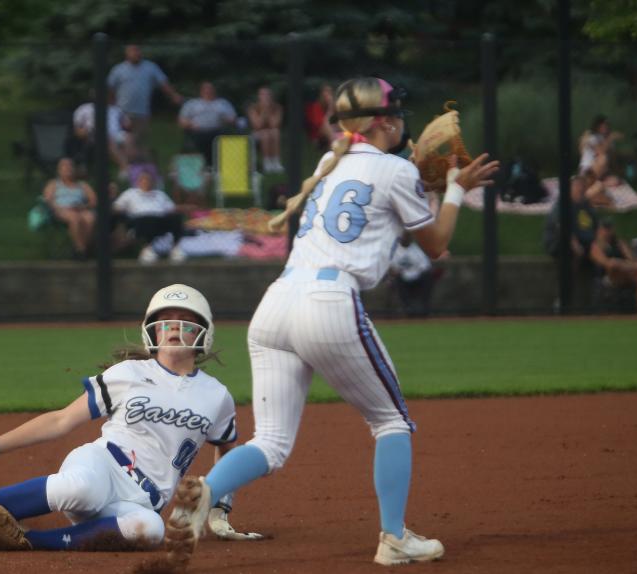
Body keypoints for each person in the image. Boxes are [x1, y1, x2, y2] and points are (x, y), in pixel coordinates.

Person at [162, 77, 499, 569]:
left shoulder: (330, 162)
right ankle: (394, 537)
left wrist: (417, 177)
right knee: (392, 422)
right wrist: (452, 189)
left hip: (276, 303)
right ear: (384, 121)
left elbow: (377, 186)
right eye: (397, 112)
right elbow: (435, 243)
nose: (404, 120)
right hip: (328, 300)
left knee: (271, 443)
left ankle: (204, 496)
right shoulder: (390, 170)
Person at [0, 284, 260, 552]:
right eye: (165, 321)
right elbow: (61, 420)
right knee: (81, 488)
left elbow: (228, 448)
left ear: (204, 334)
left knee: (151, 531)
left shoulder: (216, 396)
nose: (174, 327)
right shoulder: (130, 373)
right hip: (101, 466)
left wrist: (220, 509)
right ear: (150, 331)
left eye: (185, 321)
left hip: (139, 501)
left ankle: (25, 539)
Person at [107, 45, 183, 158]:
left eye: (137, 51)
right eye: (132, 51)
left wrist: (173, 95)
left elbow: (163, 83)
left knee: (139, 140)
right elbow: (110, 88)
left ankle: (139, 167)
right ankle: (128, 167)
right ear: (127, 54)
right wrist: (111, 106)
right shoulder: (119, 70)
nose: (136, 54)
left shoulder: (150, 68)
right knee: (123, 139)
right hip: (122, 111)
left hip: (142, 112)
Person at [113, 171, 188, 264]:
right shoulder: (130, 193)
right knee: (147, 219)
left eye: (148, 180)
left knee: (176, 218)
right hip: (138, 220)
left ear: (152, 182)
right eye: (143, 180)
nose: (146, 182)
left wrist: (186, 207)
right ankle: (147, 250)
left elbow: (172, 209)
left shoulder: (160, 194)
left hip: (159, 220)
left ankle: (175, 249)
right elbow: (117, 207)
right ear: (138, 182)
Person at [589, 218, 637, 314]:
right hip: (609, 277)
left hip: (627, 273)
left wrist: (634, 264)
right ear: (599, 230)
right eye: (605, 228)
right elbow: (608, 264)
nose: (607, 231)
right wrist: (635, 265)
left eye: (609, 228)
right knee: (614, 263)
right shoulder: (595, 246)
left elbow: (631, 259)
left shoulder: (619, 243)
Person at [43, 158, 97, 259]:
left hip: (79, 208)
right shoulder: (54, 184)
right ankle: (81, 250)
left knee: (90, 218)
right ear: (59, 170)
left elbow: (93, 200)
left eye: (70, 166)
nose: (68, 168)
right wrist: (59, 208)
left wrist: (83, 207)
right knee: (74, 217)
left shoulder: (82, 185)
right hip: (61, 210)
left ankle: (79, 249)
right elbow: (48, 200)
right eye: (64, 166)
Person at [543, 175, 602, 262]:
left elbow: (595, 223)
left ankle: (607, 269)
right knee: (574, 250)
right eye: (577, 186)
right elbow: (561, 226)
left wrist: (599, 240)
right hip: (560, 243)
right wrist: (575, 245)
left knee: (609, 247)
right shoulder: (563, 204)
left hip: (582, 241)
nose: (580, 189)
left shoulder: (585, 204)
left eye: (583, 187)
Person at [71, 91, 132, 175]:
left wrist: (127, 122)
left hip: (117, 134)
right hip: (94, 136)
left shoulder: (115, 109)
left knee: (129, 139)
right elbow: (77, 130)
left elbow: (127, 124)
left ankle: (131, 167)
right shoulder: (84, 109)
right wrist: (85, 132)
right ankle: (126, 168)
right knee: (107, 139)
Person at [178, 81, 237, 165]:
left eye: (210, 89)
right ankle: (205, 165)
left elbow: (233, 119)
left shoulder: (223, 103)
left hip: (218, 131)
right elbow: (182, 120)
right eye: (205, 89)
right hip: (198, 131)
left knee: (223, 138)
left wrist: (227, 120)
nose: (208, 91)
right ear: (201, 91)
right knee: (201, 139)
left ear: (214, 90)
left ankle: (219, 165)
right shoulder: (192, 104)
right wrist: (190, 124)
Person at [389, 232, 436, 317]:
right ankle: (407, 309)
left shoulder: (417, 250)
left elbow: (425, 266)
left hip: (417, 277)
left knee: (427, 277)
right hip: (402, 278)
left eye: (408, 237)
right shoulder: (395, 250)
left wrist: (417, 272)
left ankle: (424, 308)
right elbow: (392, 267)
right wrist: (396, 271)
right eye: (404, 237)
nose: (406, 239)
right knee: (396, 280)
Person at [247, 86, 284, 173]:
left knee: (276, 132)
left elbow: (275, 124)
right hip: (256, 134)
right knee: (265, 134)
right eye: (263, 94)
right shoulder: (253, 108)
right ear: (259, 96)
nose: (265, 97)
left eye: (267, 94)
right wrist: (264, 111)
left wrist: (269, 110)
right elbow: (257, 125)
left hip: (272, 132)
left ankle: (276, 162)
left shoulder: (277, 107)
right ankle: (267, 163)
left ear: (271, 96)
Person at [579, 114, 623, 179]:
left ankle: (601, 180)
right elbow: (601, 151)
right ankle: (591, 181)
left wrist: (617, 171)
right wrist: (610, 138)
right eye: (603, 125)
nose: (606, 127)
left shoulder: (606, 138)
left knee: (615, 180)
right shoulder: (592, 137)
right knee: (603, 158)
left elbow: (612, 157)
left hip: (602, 171)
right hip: (588, 169)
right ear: (597, 126)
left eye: (607, 124)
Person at [304, 83, 340, 151]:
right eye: (325, 91)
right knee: (327, 125)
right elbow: (320, 126)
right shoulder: (314, 107)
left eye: (329, 92)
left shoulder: (335, 107)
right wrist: (330, 107)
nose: (327, 95)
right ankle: (336, 148)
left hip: (331, 134)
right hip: (317, 137)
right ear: (321, 94)